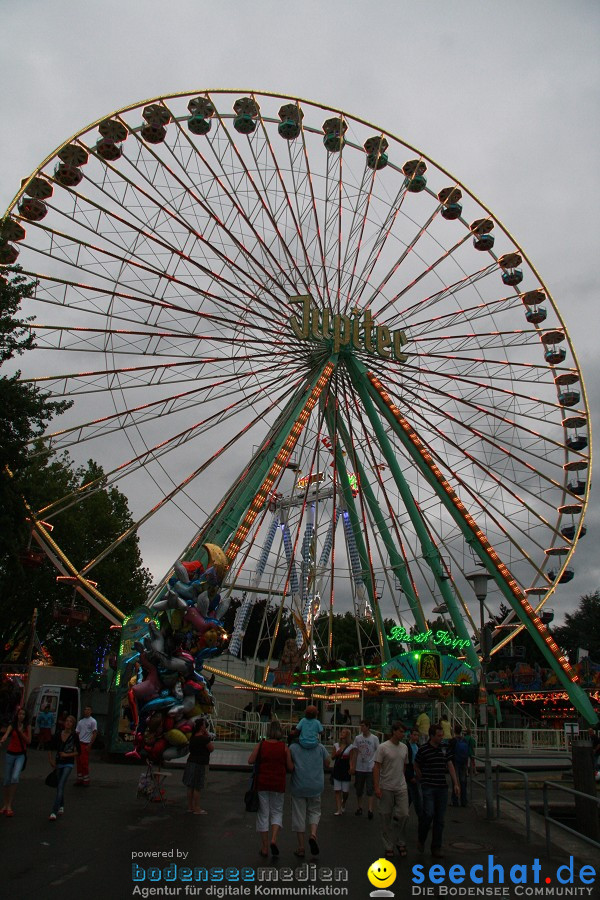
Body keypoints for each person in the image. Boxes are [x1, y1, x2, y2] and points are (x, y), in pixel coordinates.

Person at [248, 722, 293, 858]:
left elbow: (250, 760)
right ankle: (274, 839)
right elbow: (290, 767)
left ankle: (264, 847)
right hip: (278, 783)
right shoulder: (284, 748)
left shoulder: (261, 745)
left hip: (262, 782)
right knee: (277, 811)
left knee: (263, 814)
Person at [414, 723, 460, 857]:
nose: (441, 738)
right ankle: (421, 838)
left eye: (442, 735)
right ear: (432, 736)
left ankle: (436, 847)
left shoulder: (445, 748)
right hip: (428, 786)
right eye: (439, 736)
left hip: (441, 787)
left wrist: (455, 783)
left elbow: (450, 764)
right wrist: (421, 777)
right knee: (428, 814)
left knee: (440, 819)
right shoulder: (423, 749)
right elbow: (416, 764)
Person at [373, 721, 409, 859]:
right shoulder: (383, 747)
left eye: (404, 732)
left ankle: (400, 841)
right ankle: (388, 845)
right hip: (386, 786)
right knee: (385, 816)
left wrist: (402, 779)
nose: (403, 734)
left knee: (404, 814)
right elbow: (376, 767)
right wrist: (377, 786)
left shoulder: (404, 747)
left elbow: (404, 765)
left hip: (400, 786)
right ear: (394, 731)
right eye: (401, 731)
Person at [289, 739, 330, 857]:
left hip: (299, 785)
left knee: (299, 815)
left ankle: (301, 847)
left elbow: (289, 765)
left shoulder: (294, 747)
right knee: (315, 811)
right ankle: (313, 834)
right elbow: (328, 762)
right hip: (316, 785)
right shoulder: (320, 747)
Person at [47, 714, 80, 820]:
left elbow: (79, 752)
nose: (68, 723)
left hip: (68, 763)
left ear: (73, 724)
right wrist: (51, 760)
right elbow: (50, 747)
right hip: (58, 762)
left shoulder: (74, 736)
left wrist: (67, 755)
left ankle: (54, 811)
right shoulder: (58, 734)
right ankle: (61, 805)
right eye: (67, 721)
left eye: (70, 721)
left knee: (61, 784)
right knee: (59, 785)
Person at [0, 707, 31, 817]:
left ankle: (9, 804)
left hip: (20, 755)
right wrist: (3, 738)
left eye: (23, 714)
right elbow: (5, 734)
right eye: (19, 714)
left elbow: (29, 741)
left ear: (25, 716)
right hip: (10, 753)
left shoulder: (27, 727)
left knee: (14, 777)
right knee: (6, 780)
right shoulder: (12, 725)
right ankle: (5, 804)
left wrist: (21, 732)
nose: (21, 716)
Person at [182, 718, 214, 814]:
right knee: (197, 786)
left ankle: (190, 807)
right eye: (204, 725)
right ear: (201, 727)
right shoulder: (204, 739)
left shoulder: (192, 737)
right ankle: (197, 808)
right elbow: (211, 748)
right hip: (201, 763)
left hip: (191, 761)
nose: (206, 727)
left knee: (190, 786)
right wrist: (207, 735)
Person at [350, 719, 379, 819]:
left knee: (370, 789)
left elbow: (377, 751)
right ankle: (360, 807)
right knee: (359, 788)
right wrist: (353, 765)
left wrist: (376, 765)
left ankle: (370, 809)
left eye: (363, 726)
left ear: (367, 727)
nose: (361, 728)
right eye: (361, 726)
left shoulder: (374, 738)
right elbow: (355, 752)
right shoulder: (358, 738)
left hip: (370, 767)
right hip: (359, 767)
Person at [75, 705, 98, 786]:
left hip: (86, 744)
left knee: (84, 763)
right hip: (79, 744)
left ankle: (86, 780)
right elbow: (77, 733)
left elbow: (94, 733)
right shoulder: (80, 721)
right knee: (78, 763)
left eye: (88, 710)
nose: (86, 711)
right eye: (85, 709)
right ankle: (79, 779)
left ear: (91, 711)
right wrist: (76, 744)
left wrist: (90, 745)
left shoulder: (93, 721)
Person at [332, 727, 352, 814]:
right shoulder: (336, 745)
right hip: (338, 767)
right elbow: (332, 757)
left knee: (345, 791)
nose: (341, 734)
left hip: (346, 768)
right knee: (337, 790)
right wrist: (337, 754)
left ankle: (343, 803)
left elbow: (352, 758)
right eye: (341, 732)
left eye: (344, 733)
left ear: (347, 735)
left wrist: (352, 768)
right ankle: (339, 809)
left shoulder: (351, 747)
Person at [449, 724, 470, 807]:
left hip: (455, 763)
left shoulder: (452, 741)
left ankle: (455, 800)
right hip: (463, 762)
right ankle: (464, 800)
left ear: (454, 730)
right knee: (463, 782)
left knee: (455, 781)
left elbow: (449, 752)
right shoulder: (464, 740)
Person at [405, 726, 422, 818]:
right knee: (416, 797)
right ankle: (421, 817)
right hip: (411, 775)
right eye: (414, 735)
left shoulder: (418, 746)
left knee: (410, 796)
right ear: (410, 735)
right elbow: (407, 763)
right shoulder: (407, 747)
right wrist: (410, 776)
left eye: (417, 735)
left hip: (417, 775)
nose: (416, 737)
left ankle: (400, 813)